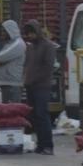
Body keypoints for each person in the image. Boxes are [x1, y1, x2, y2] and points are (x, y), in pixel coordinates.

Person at [23, 20, 56, 156]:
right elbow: (28, 66)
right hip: (31, 86)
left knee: (42, 115)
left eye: (31, 33)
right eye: (28, 34)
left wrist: (33, 79)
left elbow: (48, 68)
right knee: (35, 116)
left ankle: (48, 145)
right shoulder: (30, 47)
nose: (30, 36)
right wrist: (26, 79)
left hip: (42, 86)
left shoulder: (48, 46)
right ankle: (40, 145)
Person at [0, 20, 25, 103]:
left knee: (12, 112)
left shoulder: (18, 44)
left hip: (13, 84)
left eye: (4, 31)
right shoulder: (8, 44)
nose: (2, 33)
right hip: (6, 83)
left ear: (10, 30)